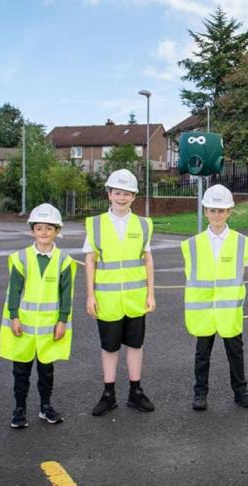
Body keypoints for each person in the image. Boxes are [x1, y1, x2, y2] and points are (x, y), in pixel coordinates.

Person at [0, 203, 76, 429]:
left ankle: (45, 406)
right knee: (21, 371)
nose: (44, 233)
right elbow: (13, 291)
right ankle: (19, 408)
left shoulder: (64, 261)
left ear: (57, 232)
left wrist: (62, 321)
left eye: (49, 228)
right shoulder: (21, 258)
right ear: (32, 230)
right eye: (39, 228)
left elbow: (66, 295)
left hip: (50, 328)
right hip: (23, 326)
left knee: (46, 371)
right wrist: (14, 316)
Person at [86, 169, 157, 416]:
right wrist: (90, 295)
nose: (122, 198)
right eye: (118, 192)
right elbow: (91, 261)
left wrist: (151, 293)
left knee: (136, 345)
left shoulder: (143, 224)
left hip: (136, 299)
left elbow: (147, 260)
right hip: (107, 300)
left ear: (134, 197)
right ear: (109, 194)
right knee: (110, 348)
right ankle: (108, 394)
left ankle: (135, 392)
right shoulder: (95, 224)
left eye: (127, 193)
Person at [181, 184, 248, 411]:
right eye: (212, 210)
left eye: (221, 210)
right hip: (203, 310)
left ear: (229, 212)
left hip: (229, 309)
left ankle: (240, 391)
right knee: (202, 353)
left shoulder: (242, 243)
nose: (216, 215)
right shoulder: (192, 245)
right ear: (205, 211)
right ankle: (200, 392)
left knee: (235, 351)